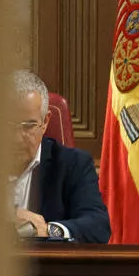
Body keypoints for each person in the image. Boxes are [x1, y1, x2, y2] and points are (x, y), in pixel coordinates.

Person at [12, 71, 110, 242]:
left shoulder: (73, 164)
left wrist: (47, 229)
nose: (17, 138)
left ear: (45, 123)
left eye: (29, 126)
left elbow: (98, 227)